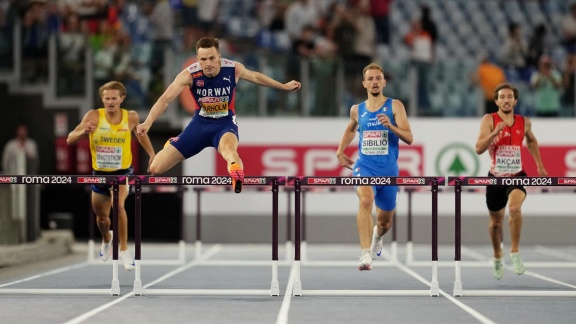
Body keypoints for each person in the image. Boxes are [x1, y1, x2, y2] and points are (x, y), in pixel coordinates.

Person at [136, 37, 301, 193]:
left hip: (225, 125)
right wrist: (148, 122)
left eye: (211, 58)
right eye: (203, 59)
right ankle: (172, 143)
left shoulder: (233, 68)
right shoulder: (189, 75)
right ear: (197, 59)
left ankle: (236, 174)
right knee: (156, 168)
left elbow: (256, 77)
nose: (208, 64)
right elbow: (165, 99)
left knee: (229, 150)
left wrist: (283, 86)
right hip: (199, 126)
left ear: (219, 57)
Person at [67, 81, 156, 271]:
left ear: (121, 99)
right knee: (102, 219)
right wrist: (84, 131)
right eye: (106, 98)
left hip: (122, 173)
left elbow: (140, 134)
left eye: (114, 98)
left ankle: (123, 250)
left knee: (119, 206)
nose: (110, 102)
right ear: (102, 99)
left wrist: (152, 155)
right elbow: (70, 139)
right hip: (99, 174)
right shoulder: (93, 116)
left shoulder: (131, 117)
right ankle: (107, 239)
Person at [336, 62, 413, 271]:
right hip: (365, 167)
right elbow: (351, 129)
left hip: (388, 170)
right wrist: (340, 151)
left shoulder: (395, 106)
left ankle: (377, 236)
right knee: (366, 200)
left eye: (378, 78)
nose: (375, 82)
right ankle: (365, 254)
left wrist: (391, 126)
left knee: (385, 223)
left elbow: (409, 138)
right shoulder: (356, 110)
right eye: (370, 79)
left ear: (384, 82)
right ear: (364, 84)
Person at [474, 83, 547, 280]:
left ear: (515, 101)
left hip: (517, 175)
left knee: (515, 209)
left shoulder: (524, 122)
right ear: (496, 101)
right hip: (495, 178)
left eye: (509, 97)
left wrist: (540, 165)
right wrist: (494, 132)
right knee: (495, 224)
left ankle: (515, 252)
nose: (506, 100)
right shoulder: (489, 120)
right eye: (502, 97)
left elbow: (531, 141)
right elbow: (479, 148)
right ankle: (498, 254)